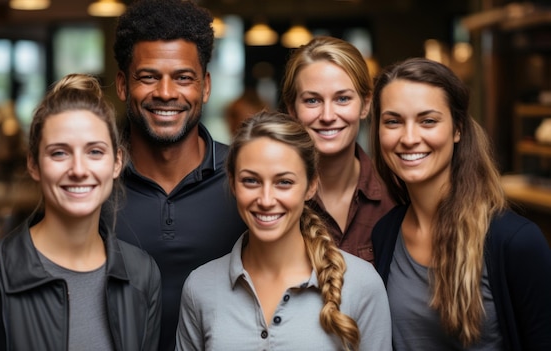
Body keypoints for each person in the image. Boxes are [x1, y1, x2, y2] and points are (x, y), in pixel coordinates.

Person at [0, 1, 246, 350]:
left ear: (205, 87)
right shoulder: (87, 187)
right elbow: (32, 253)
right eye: (148, 76)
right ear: (123, 85)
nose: (165, 92)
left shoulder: (247, 179)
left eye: (183, 78)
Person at [0, 73, 162, 350]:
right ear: (33, 164)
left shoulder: (142, 275)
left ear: (117, 163)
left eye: (95, 152)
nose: (78, 170)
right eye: (59, 153)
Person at [370, 57, 551, 350]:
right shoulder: (385, 234)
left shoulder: (514, 242)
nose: (409, 137)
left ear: (458, 130)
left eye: (428, 120)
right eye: (393, 121)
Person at [175, 111, 392, 350]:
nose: (266, 200)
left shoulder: (361, 283)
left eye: (284, 182)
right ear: (233, 183)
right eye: (251, 180)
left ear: (311, 186)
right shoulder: (200, 287)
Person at [280, 36, 395, 263]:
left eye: (342, 99)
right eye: (312, 101)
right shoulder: (273, 199)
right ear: (292, 109)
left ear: (366, 104)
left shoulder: (396, 194)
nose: (328, 116)